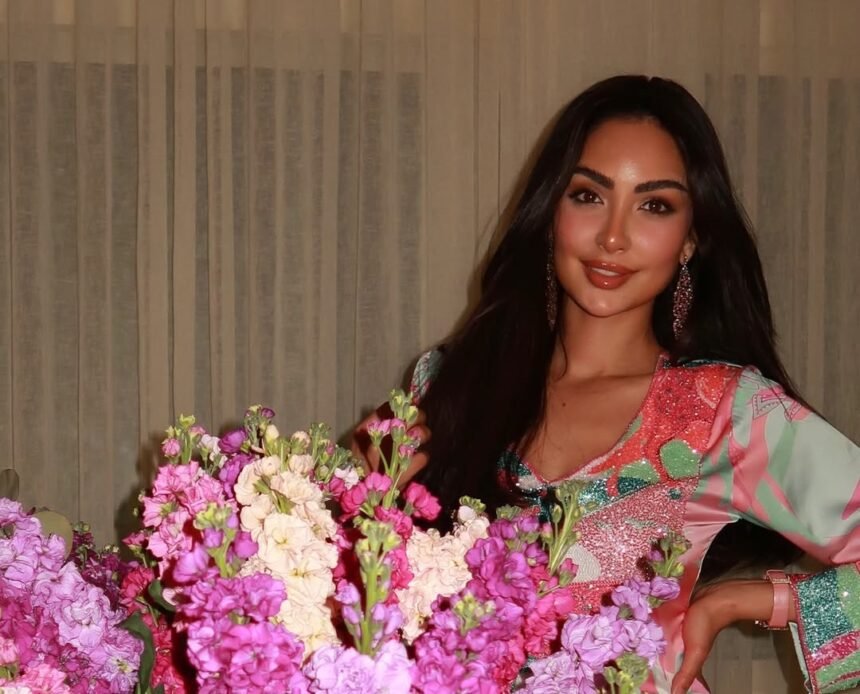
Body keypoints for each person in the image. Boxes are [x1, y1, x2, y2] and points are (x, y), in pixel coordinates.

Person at [352, 75, 860, 693]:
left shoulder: (725, 411)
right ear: (550, 213)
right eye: (589, 196)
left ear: (690, 239)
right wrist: (358, 503)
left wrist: (752, 600)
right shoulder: (451, 384)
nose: (613, 236)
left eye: (655, 205)